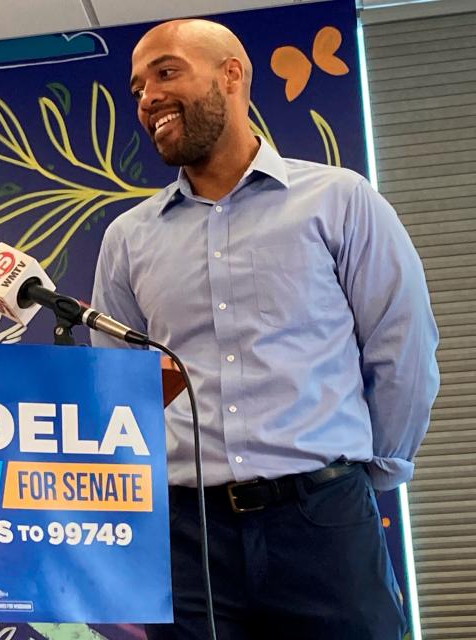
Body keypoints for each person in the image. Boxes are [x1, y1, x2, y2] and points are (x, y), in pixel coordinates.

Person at [91, 19, 439, 639]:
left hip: (323, 522)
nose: (147, 98)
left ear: (232, 74)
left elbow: (402, 350)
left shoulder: (340, 201)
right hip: (187, 539)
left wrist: (360, 476)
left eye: (166, 72)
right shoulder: (127, 240)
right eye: (138, 87)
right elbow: (122, 393)